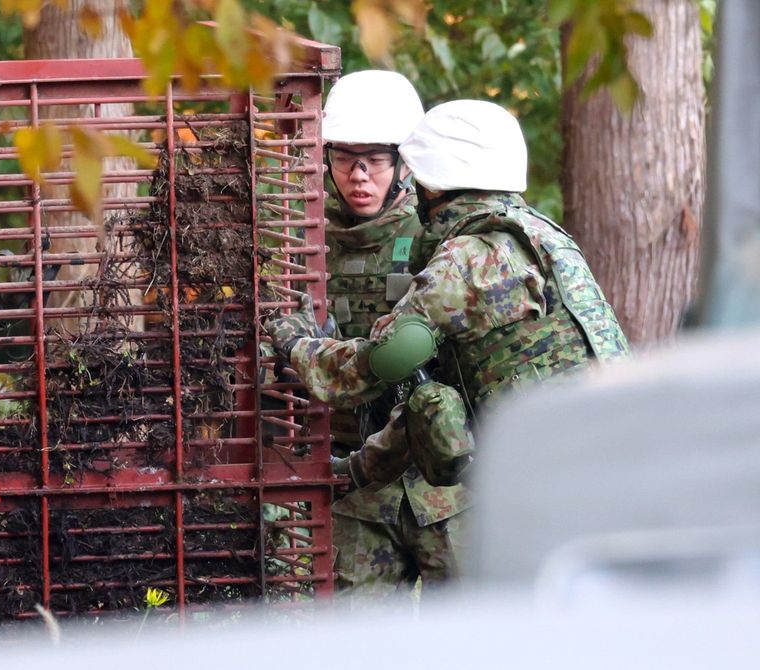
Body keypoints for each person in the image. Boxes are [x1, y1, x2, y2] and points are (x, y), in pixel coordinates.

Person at [265, 99, 629, 541]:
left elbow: (381, 365)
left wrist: (298, 344)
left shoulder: (466, 259)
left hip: (545, 473)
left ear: (434, 186)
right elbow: (432, 390)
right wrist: (360, 469)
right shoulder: (544, 236)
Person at [277, 71, 470, 602]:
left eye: (376, 159)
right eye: (344, 158)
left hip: (442, 478)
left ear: (404, 161)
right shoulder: (302, 244)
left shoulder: (445, 239)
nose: (359, 175)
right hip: (355, 479)